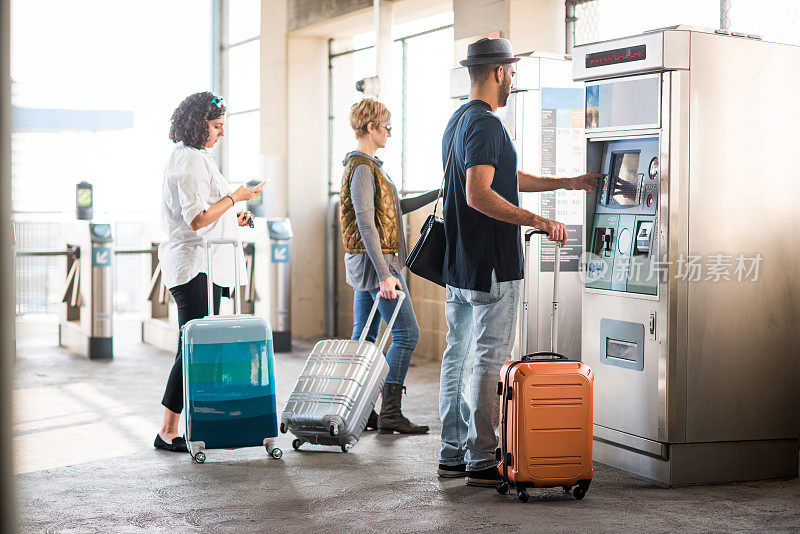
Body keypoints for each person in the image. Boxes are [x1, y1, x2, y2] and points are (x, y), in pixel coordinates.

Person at [436, 38, 602, 485]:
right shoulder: (487, 124)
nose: (514, 80)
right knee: (488, 359)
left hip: (460, 264)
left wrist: (567, 182)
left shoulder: (459, 121)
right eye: (513, 72)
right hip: (492, 264)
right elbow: (479, 192)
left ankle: (453, 452)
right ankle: (482, 458)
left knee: (459, 356)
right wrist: (538, 221)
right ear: (500, 73)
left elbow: (503, 177)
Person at [154, 91, 262, 452]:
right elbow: (198, 218)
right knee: (191, 346)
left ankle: (191, 422)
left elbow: (211, 209)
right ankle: (168, 430)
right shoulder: (187, 162)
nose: (221, 134)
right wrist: (236, 198)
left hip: (205, 263)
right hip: (191, 265)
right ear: (199, 126)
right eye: (217, 127)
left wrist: (234, 214)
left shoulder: (199, 158)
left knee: (197, 346)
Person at [340, 97, 439, 434]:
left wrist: (438, 192)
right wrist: (385, 275)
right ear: (371, 127)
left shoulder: (367, 166)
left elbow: (396, 207)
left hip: (370, 266)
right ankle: (391, 413)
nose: (389, 134)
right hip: (378, 267)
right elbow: (367, 225)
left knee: (365, 335)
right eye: (386, 127)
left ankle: (358, 408)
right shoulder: (363, 169)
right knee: (407, 333)